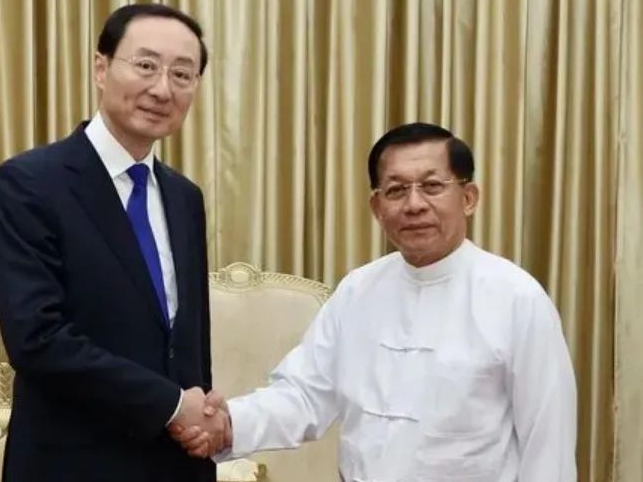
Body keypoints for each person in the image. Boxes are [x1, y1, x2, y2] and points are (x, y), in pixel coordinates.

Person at [172, 123, 578, 481]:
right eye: (396, 190)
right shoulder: (359, 290)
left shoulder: (517, 299)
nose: (414, 204)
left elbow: (548, 447)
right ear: (377, 207)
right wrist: (228, 423)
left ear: (468, 197)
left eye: (432, 186)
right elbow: (305, 395)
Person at [0, 3, 228, 482]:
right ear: (101, 68)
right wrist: (171, 404)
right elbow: (38, 340)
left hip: (175, 465)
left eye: (182, 74)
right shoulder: (29, 184)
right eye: (146, 65)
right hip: (72, 463)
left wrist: (202, 414)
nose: (162, 89)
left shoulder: (184, 197)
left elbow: (188, 341)